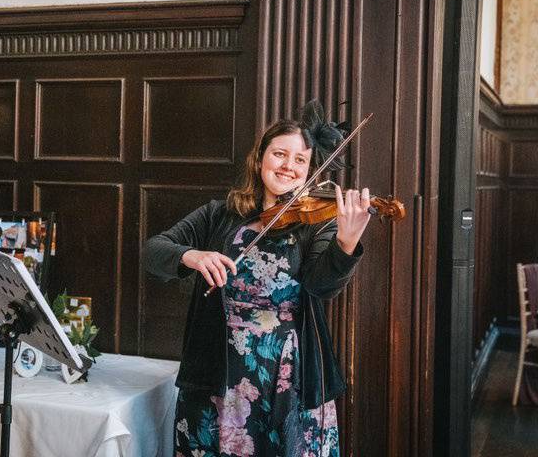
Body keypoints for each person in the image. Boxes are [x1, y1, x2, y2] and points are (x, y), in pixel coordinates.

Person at [143, 100, 371, 456]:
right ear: (260, 158)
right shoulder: (218, 215)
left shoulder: (316, 224)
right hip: (218, 369)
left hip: (288, 375)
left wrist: (346, 241)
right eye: (280, 154)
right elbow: (153, 252)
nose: (288, 166)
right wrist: (192, 254)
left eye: (300, 160)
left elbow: (321, 285)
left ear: (311, 169)